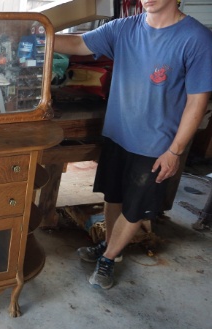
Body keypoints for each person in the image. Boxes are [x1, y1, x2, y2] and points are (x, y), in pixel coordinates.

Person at [53, 0, 212, 289]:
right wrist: (38, 37)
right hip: (117, 133)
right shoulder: (125, 27)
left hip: (155, 144)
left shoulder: (196, 38)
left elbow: (197, 102)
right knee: (113, 197)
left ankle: (109, 259)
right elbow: (79, 44)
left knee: (134, 208)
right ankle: (109, 247)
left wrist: (174, 151)